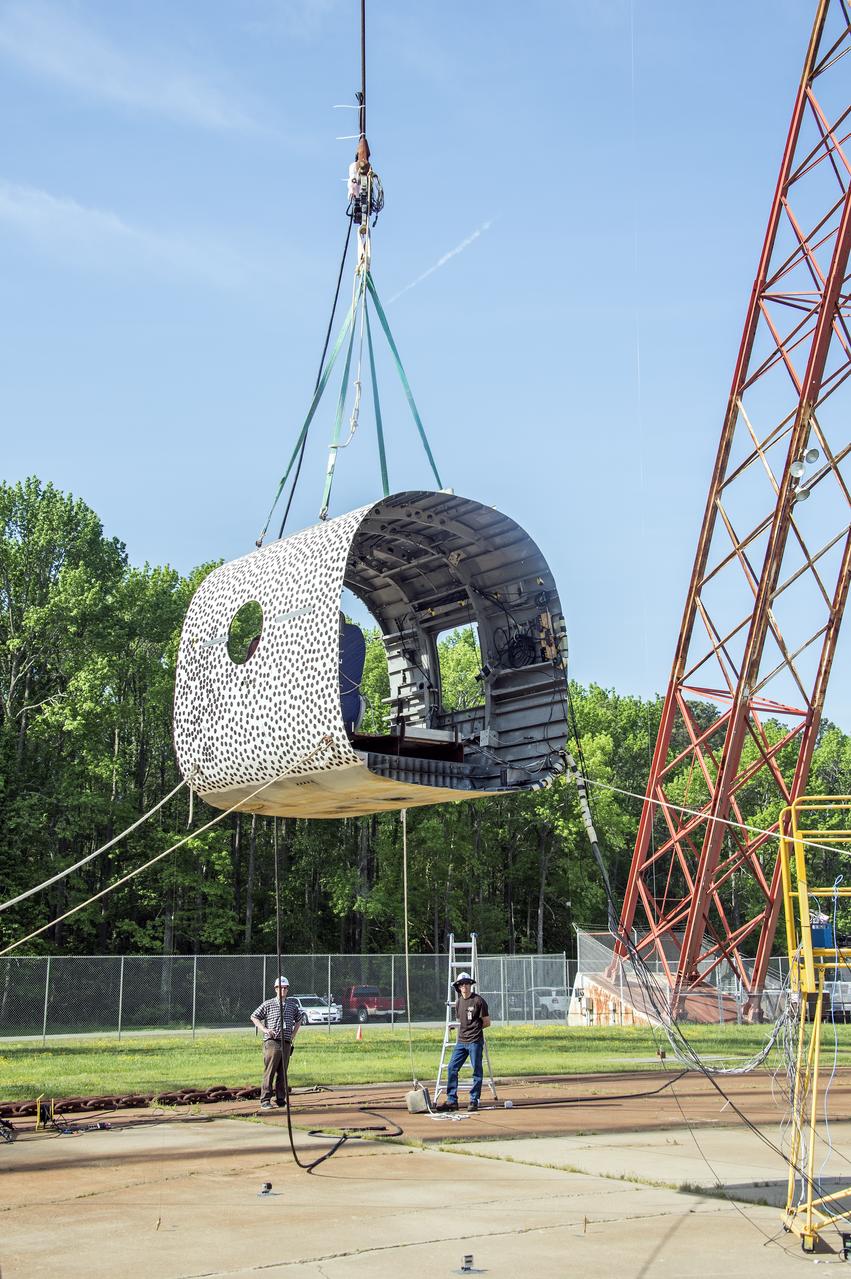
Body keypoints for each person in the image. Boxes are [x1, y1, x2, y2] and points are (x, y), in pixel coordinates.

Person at [437, 972, 490, 1113]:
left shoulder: (479, 1001)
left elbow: (487, 1022)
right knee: (452, 1068)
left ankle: (474, 1100)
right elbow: (461, 1021)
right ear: (458, 987)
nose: (464, 987)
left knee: (476, 1070)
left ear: (470, 985)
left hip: (475, 1041)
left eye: (467, 984)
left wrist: (475, 1030)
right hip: (461, 1042)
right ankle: (452, 1100)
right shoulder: (459, 1002)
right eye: (461, 984)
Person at [250, 975, 305, 1110]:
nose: (283, 990)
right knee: (270, 1070)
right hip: (272, 1042)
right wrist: (265, 1029)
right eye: (280, 988)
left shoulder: (292, 1005)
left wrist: (293, 1034)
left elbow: (299, 1019)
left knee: (282, 1072)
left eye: (285, 988)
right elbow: (254, 1016)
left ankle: (281, 1099)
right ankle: (265, 1099)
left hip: (286, 1041)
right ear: (275, 989)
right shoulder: (268, 1004)